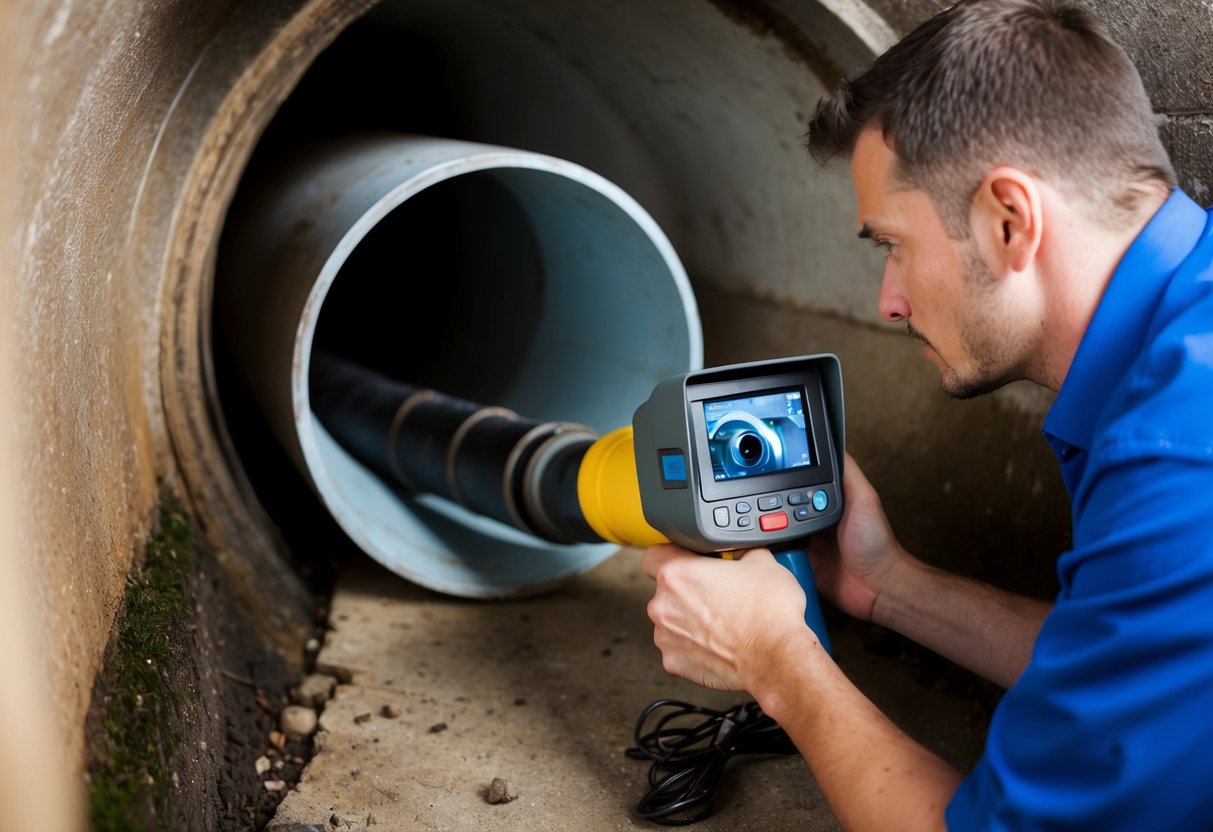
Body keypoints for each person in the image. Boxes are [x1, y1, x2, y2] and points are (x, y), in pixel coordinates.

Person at [640, 1, 1213, 828]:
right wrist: (889, 587)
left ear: (1009, 220)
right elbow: (1126, 667)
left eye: (892, 246)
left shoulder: (1180, 455)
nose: (887, 303)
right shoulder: (1177, 351)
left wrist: (774, 661)